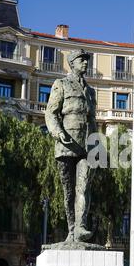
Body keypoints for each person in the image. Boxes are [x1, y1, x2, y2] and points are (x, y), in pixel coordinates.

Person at [45, 49, 97, 246]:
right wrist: (57, 133)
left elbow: (93, 119)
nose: (85, 63)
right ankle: (71, 231)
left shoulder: (91, 91)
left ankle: (81, 227)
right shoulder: (61, 84)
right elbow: (51, 113)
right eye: (81, 59)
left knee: (83, 187)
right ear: (72, 63)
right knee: (68, 191)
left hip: (88, 145)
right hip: (67, 144)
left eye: (86, 59)